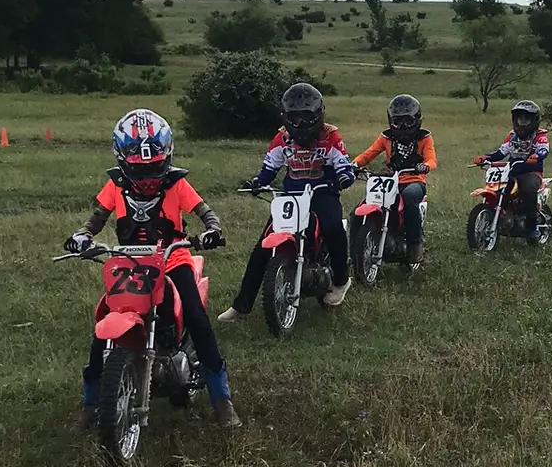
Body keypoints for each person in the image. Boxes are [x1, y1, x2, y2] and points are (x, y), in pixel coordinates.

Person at [65, 109, 240, 430]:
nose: (146, 178)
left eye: (154, 168)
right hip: (130, 264)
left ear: (167, 157)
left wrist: (212, 229)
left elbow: (205, 212)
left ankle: (221, 399)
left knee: (198, 320)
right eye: (138, 169)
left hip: (173, 259)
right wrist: (82, 236)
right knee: (101, 323)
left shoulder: (177, 183)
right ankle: (91, 403)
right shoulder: (115, 185)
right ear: (122, 160)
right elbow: (97, 218)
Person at [219, 82, 356, 319]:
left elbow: (343, 163)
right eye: (295, 118)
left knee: (334, 228)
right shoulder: (282, 138)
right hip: (291, 196)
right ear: (286, 117)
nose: (301, 125)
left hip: (323, 193)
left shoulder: (331, 135)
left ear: (318, 115)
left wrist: (344, 177)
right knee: (262, 246)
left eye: (306, 118)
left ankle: (341, 280)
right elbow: (270, 167)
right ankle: (241, 305)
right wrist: (258, 182)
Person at [354, 93, 438, 271]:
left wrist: (425, 166)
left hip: (414, 180)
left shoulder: (424, 138)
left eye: (408, 121)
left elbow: (432, 159)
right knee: (361, 207)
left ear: (417, 120)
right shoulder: (386, 138)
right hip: (390, 181)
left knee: (409, 198)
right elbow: (369, 153)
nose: (403, 126)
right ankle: (353, 251)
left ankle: (415, 245)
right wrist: (354, 164)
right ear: (390, 120)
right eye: (397, 122)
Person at [476, 99, 549, 243]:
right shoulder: (512, 136)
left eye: (526, 119)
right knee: (499, 188)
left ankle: (531, 227)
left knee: (528, 190)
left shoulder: (540, 136)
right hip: (512, 171)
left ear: (534, 120)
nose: (521, 122)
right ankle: (500, 216)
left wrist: (537, 156)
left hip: (531, 172)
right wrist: (486, 157)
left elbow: (544, 150)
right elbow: (502, 152)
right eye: (519, 118)